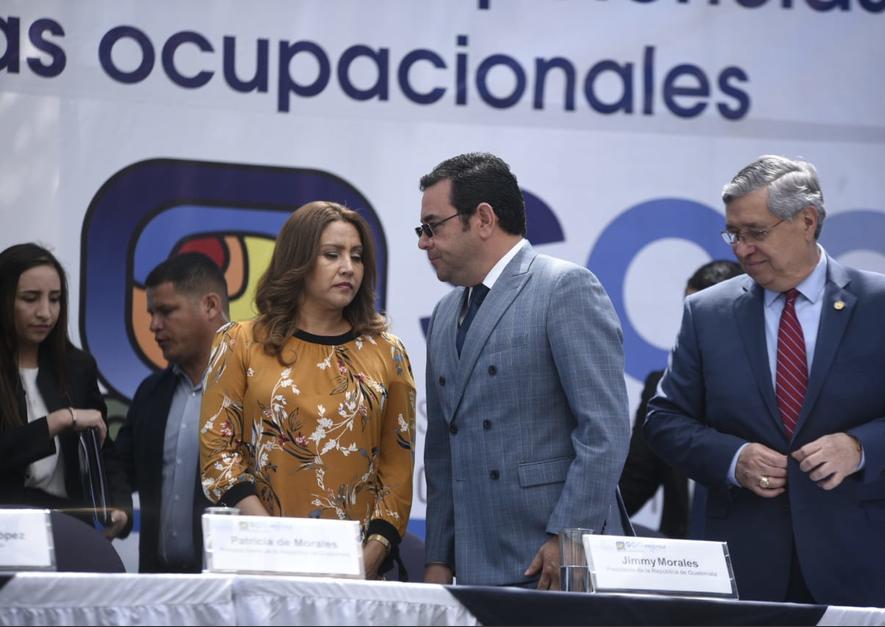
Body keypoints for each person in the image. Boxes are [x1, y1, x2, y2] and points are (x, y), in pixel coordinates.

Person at [644, 155, 885, 607]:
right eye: (734, 234)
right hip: (738, 567)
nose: (741, 249)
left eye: (756, 232)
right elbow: (663, 420)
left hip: (854, 560)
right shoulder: (706, 313)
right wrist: (733, 458)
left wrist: (860, 449)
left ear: (807, 220)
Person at [418, 152, 630, 589]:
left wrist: (568, 536)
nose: (424, 242)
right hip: (476, 567)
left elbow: (604, 432)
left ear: (483, 218)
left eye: (432, 227)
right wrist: (438, 557)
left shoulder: (565, 288)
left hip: (553, 562)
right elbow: (442, 453)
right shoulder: (443, 313)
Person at [200, 201, 416, 580]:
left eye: (357, 256)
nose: (348, 267)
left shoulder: (388, 352)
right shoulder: (239, 342)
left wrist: (369, 558)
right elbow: (219, 454)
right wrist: (273, 542)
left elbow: (396, 472)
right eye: (332, 255)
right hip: (259, 562)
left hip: (357, 573)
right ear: (298, 260)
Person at [0, 243, 130, 538]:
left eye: (55, 299)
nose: (45, 312)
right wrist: (59, 420)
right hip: (7, 530)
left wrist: (120, 508)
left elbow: (103, 448)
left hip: (68, 527)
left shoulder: (77, 366)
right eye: (30, 299)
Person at [115, 253, 228, 572]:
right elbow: (120, 471)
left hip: (230, 596)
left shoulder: (258, 390)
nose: (153, 325)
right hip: (159, 594)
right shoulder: (150, 393)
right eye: (151, 313)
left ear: (210, 306)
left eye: (165, 311)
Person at [619, 260, 742, 539]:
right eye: (689, 313)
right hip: (683, 560)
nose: (692, 326)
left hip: (757, 555)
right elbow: (637, 479)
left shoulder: (779, 386)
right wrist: (579, 523)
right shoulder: (662, 387)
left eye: (702, 315)